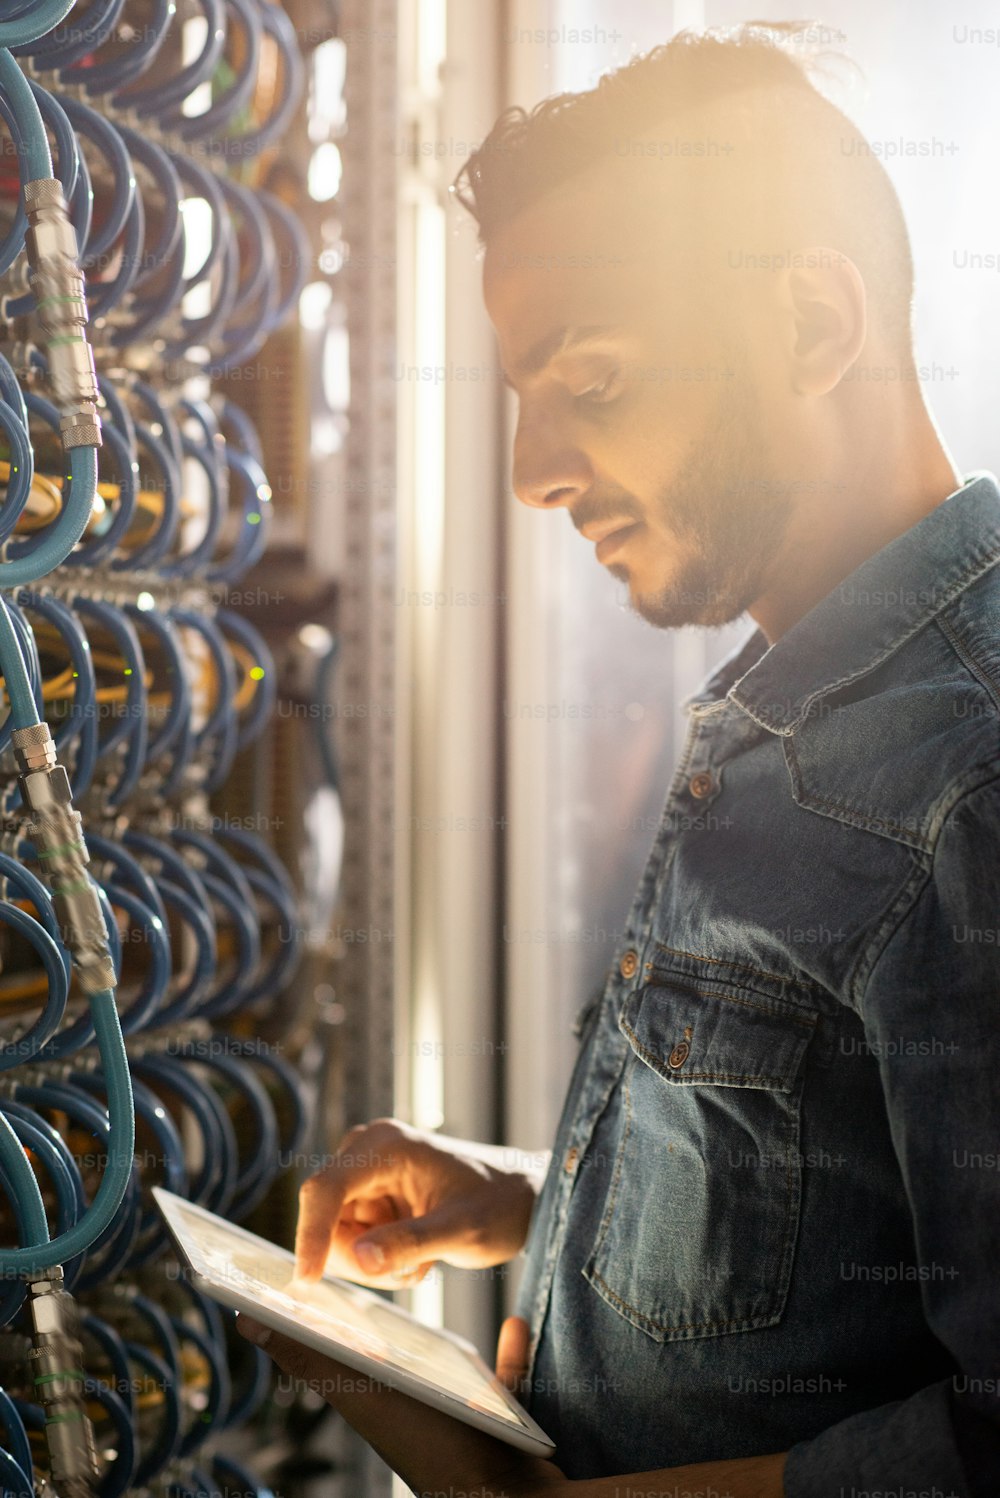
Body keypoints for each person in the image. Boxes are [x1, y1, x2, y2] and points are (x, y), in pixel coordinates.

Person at [237, 22, 1000, 1497]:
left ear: (812, 327)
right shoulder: (799, 693)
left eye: (590, 377)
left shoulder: (967, 775)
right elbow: (838, 1193)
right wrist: (531, 1192)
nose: (532, 471)